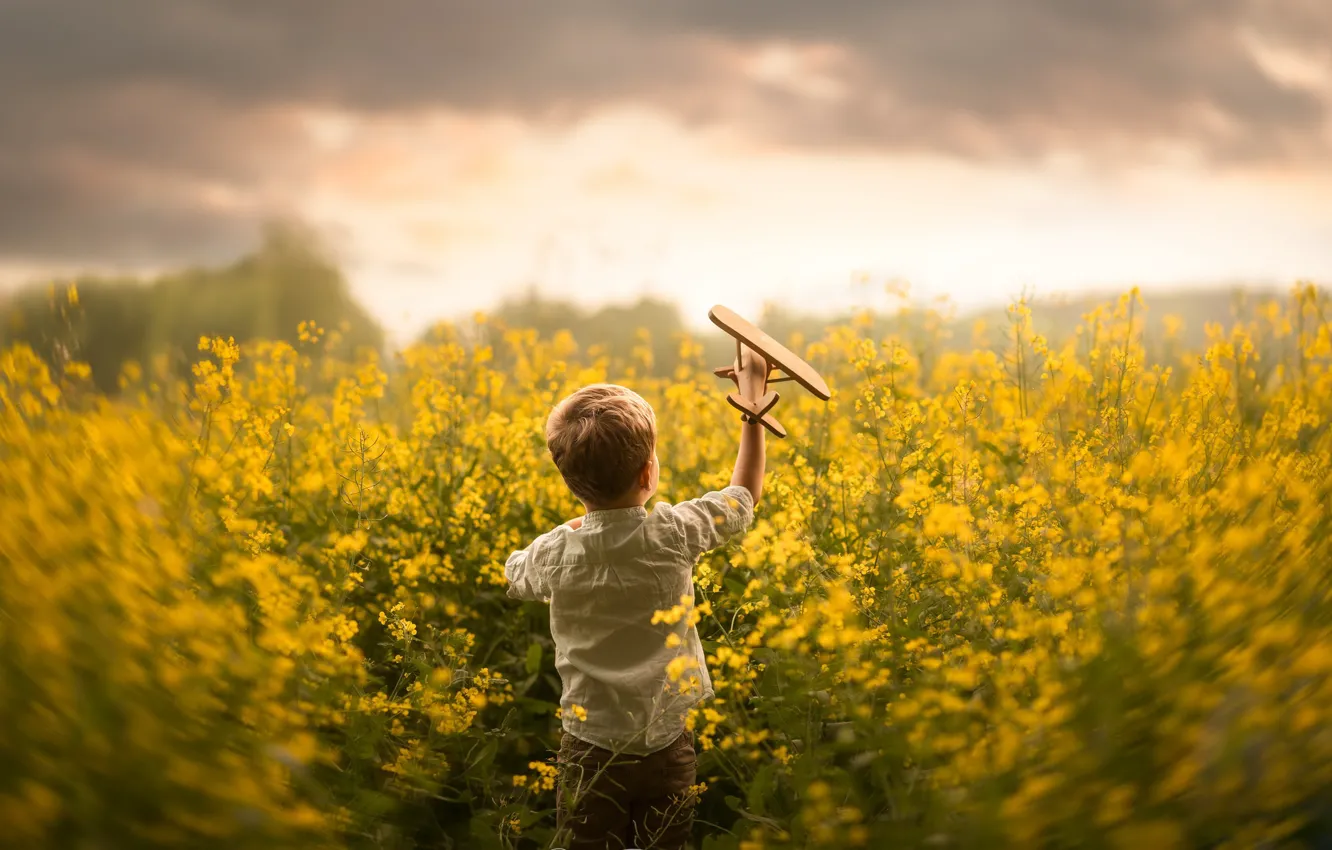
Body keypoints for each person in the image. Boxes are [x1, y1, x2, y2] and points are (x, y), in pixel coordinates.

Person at [505, 356, 767, 850]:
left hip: (589, 750)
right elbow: (742, 497)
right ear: (649, 471)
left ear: (569, 481)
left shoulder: (556, 553)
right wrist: (751, 411)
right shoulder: (673, 533)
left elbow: (515, 573)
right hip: (668, 743)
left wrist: (573, 531)